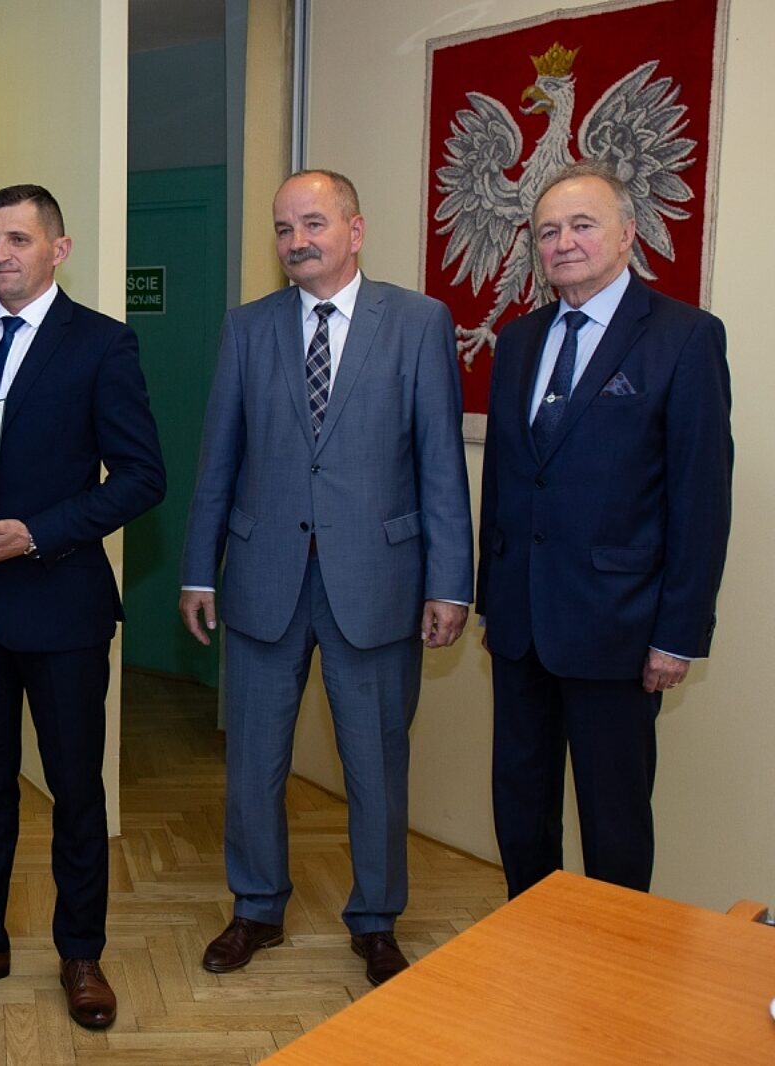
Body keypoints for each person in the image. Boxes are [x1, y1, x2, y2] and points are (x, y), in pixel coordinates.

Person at [178, 170, 473, 986]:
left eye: (313, 223)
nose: (297, 241)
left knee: (376, 765)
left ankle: (376, 920)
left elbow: (440, 465)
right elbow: (218, 459)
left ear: (355, 229)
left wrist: (450, 583)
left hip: (377, 583)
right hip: (263, 579)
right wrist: (199, 570)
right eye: (283, 228)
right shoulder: (247, 328)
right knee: (253, 764)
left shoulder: (417, 323)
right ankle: (256, 907)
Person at [0, 184, 165, 1030]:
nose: (2, 254)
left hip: (61, 609)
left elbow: (142, 477)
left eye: (19, 239)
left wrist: (40, 533)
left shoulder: (102, 343)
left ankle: (81, 954)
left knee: (76, 793)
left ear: (59, 248)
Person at [478, 163, 733, 899]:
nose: (563, 243)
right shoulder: (518, 340)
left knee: (614, 822)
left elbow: (701, 498)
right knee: (520, 808)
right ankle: (530, 936)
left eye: (582, 225)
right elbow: (506, 480)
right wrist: (491, 601)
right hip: (522, 625)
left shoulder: (683, 337)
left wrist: (678, 634)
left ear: (626, 234)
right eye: (547, 232)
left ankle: (617, 959)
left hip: (620, 630)